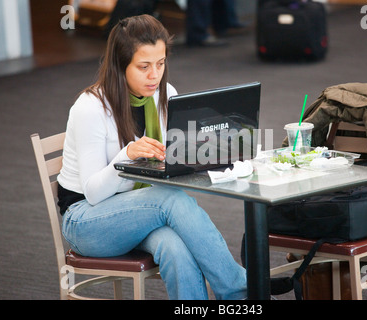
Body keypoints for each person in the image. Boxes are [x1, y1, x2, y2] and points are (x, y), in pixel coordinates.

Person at [57, 14, 247, 300]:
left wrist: (205, 152)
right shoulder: (91, 108)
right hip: (85, 220)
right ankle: (240, 291)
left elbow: (171, 167)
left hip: (139, 212)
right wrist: (127, 156)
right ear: (120, 66)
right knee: (171, 200)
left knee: (175, 247)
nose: (154, 75)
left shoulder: (165, 94)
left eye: (160, 64)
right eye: (144, 66)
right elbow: (94, 193)